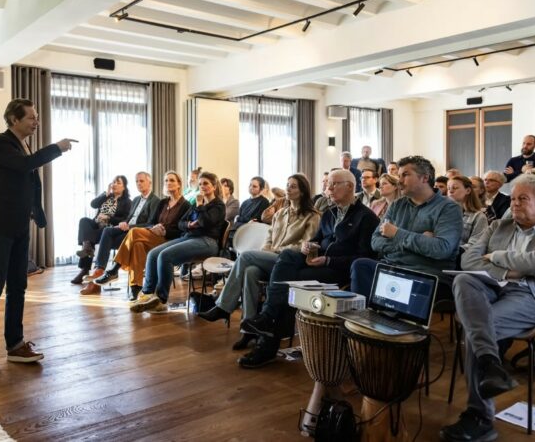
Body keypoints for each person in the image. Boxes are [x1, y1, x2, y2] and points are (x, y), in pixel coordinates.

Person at [441, 175, 535, 442]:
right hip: (489, 287)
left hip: (530, 295)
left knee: (480, 328)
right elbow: (468, 259)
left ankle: (480, 417)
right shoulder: (499, 225)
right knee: (463, 279)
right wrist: (514, 270)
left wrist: (498, 259)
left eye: (523, 199)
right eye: (513, 199)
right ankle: (490, 365)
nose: (515, 204)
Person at [0, 98, 76, 375]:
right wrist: (57, 148)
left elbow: (30, 183)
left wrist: (38, 213)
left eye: (36, 117)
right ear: (14, 120)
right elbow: (26, 166)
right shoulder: (0, 142)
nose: (36, 121)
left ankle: (15, 343)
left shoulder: (23, 144)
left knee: (17, 286)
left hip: (20, 224)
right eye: (31, 118)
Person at [238, 169, 380, 368]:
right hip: (317, 262)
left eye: (334, 184)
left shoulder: (366, 218)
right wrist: (308, 246)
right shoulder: (330, 214)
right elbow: (317, 240)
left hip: (338, 270)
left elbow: (365, 258)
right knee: (288, 256)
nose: (328, 188)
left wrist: (329, 260)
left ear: (349, 186)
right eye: (328, 184)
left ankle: (268, 335)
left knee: (290, 283)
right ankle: (268, 321)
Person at [198, 174, 320, 349]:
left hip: (289, 262)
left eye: (293, 186)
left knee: (246, 256)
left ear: (302, 192)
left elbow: (305, 247)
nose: (288, 189)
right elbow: (268, 240)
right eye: (287, 185)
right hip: (271, 257)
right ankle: (249, 330)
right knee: (250, 272)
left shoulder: (312, 216)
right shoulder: (280, 214)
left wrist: (276, 251)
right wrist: (268, 250)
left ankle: (224, 307)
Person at [350, 155, 462, 298]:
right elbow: (376, 242)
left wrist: (396, 234)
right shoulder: (398, 205)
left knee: (395, 285)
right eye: (399, 175)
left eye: (405, 175)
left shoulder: (448, 208)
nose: (399, 181)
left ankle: (382, 315)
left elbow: (441, 249)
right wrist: (419, 240)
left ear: (425, 178)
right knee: (360, 265)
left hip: (426, 274)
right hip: (392, 268)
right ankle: (364, 317)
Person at [131, 171, 226, 314]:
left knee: (165, 256)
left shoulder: (218, 205)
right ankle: (147, 295)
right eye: (200, 184)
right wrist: (189, 225)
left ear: (214, 186)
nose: (202, 186)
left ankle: (161, 300)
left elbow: (206, 222)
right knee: (153, 254)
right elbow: (181, 223)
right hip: (189, 237)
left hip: (207, 242)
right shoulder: (196, 204)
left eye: (206, 183)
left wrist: (200, 206)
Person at [93, 171, 190, 300]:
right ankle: (135, 288)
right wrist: (155, 227)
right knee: (137, 245)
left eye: (172, 180)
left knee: (133, 232)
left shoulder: (185, 205)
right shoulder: (163, 203)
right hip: (154, 235)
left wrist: (166, 231)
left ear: (179, 184)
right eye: (166, 181)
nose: (168, 183)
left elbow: (182, 230)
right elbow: (153, 222)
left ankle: (114, 268)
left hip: (169, 240)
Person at [78, 172, 160, 294]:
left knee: (104, 233)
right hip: (121, 229)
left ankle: (102, 273)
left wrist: (126, 224)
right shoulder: (137, 199)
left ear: (150, 182)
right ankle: (99, 270)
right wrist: (123, 223)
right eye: (137, 181)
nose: (138, 183)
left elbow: (151, 223)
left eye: (141, 181)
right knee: (101, 230)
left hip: (136, 232)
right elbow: (128, 217)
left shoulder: (154, 200)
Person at [73, 175, 132, 281]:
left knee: (89, 239)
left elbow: (125, 220)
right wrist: (106, 193)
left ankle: (84, 269)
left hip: (109, 229)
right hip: (96, 225)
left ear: (124, 187)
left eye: (118, 183)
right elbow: (93, 204)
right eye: (113, 182)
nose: (115, 184)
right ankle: (88, 248)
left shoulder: (127, 202)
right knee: (84, 221)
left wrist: (108, 218)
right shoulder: (107, 196)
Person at [447, 176, 488, 249]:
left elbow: (476, 245)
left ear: (468, 191)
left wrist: (449, 251)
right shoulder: (443, 213)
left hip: (461, 257)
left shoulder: (478, 217)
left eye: (455, 188)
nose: (450, 191)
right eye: (448, 188)